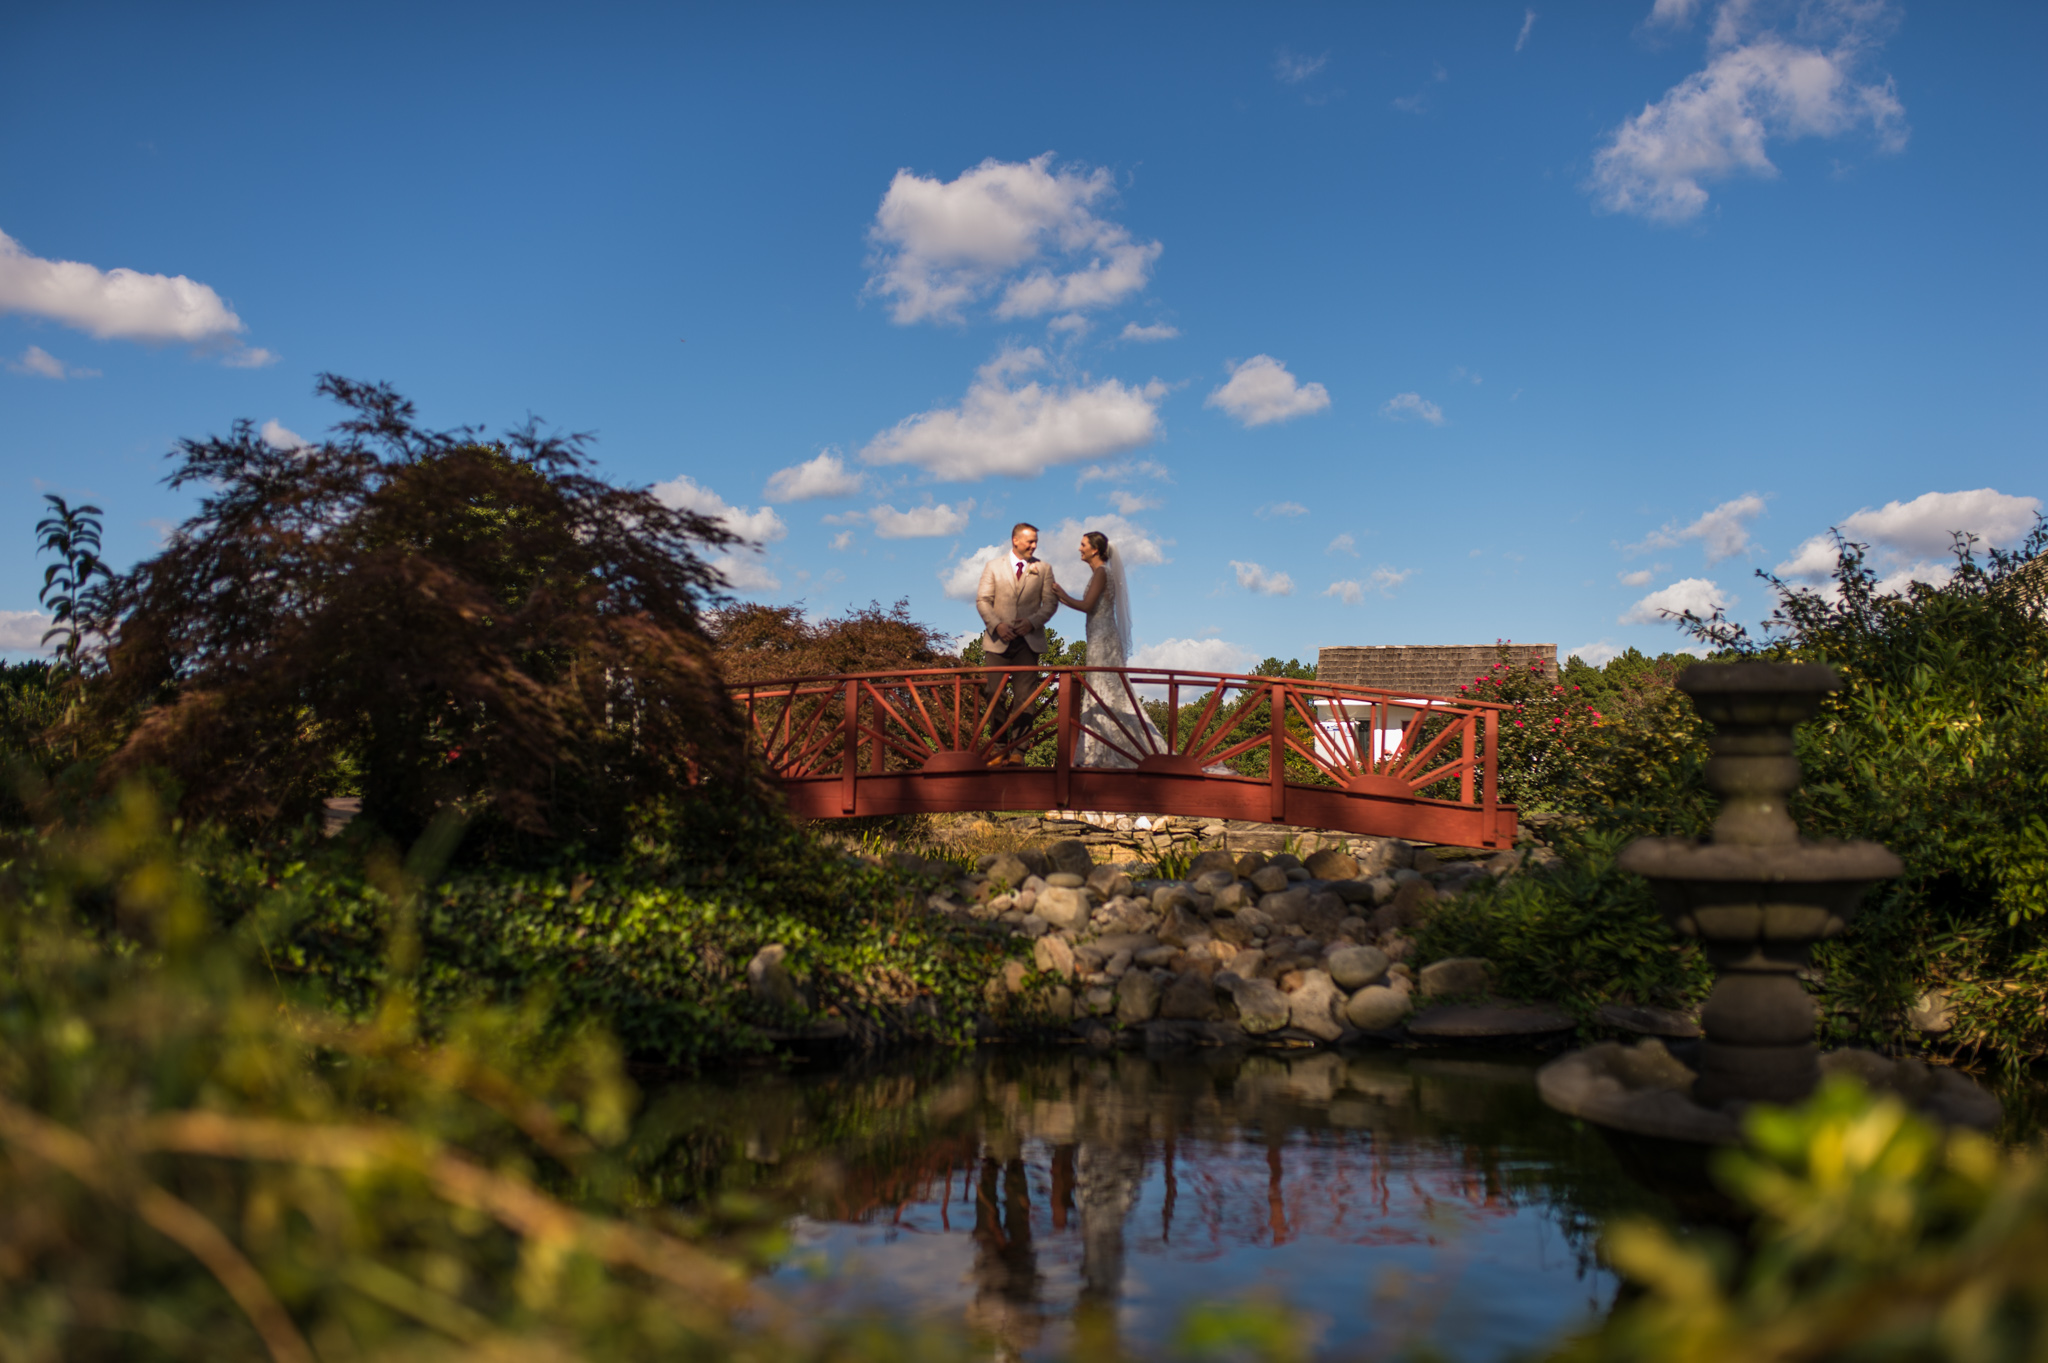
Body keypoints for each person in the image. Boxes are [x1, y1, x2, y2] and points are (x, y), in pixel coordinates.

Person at [1052, 530, 1163, 768]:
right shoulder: (1100, 574)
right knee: (1100, 688)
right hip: (1098, 637)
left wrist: (1062, 596)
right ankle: (1099, 747)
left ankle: (1102, 751)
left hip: (1102, 640)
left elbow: (1087, 605)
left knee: (1102, 688)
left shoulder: (1102, 573)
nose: (1079, 548)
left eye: (1083, 545)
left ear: (1095, 549)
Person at [974, 522, 1059, 754]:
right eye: (1030, 541)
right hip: (997, 641)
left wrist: (1032, 622)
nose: (1034, 546)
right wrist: (997, 625)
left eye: (1036, 542)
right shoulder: (993, 566)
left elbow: (1050, 603)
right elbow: (983, 600)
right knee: (994, 694)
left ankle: (1018, 751)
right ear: (1015, 540)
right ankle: (998, 747)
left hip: (1028, 642)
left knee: (1025, 697)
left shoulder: (1044, 568)